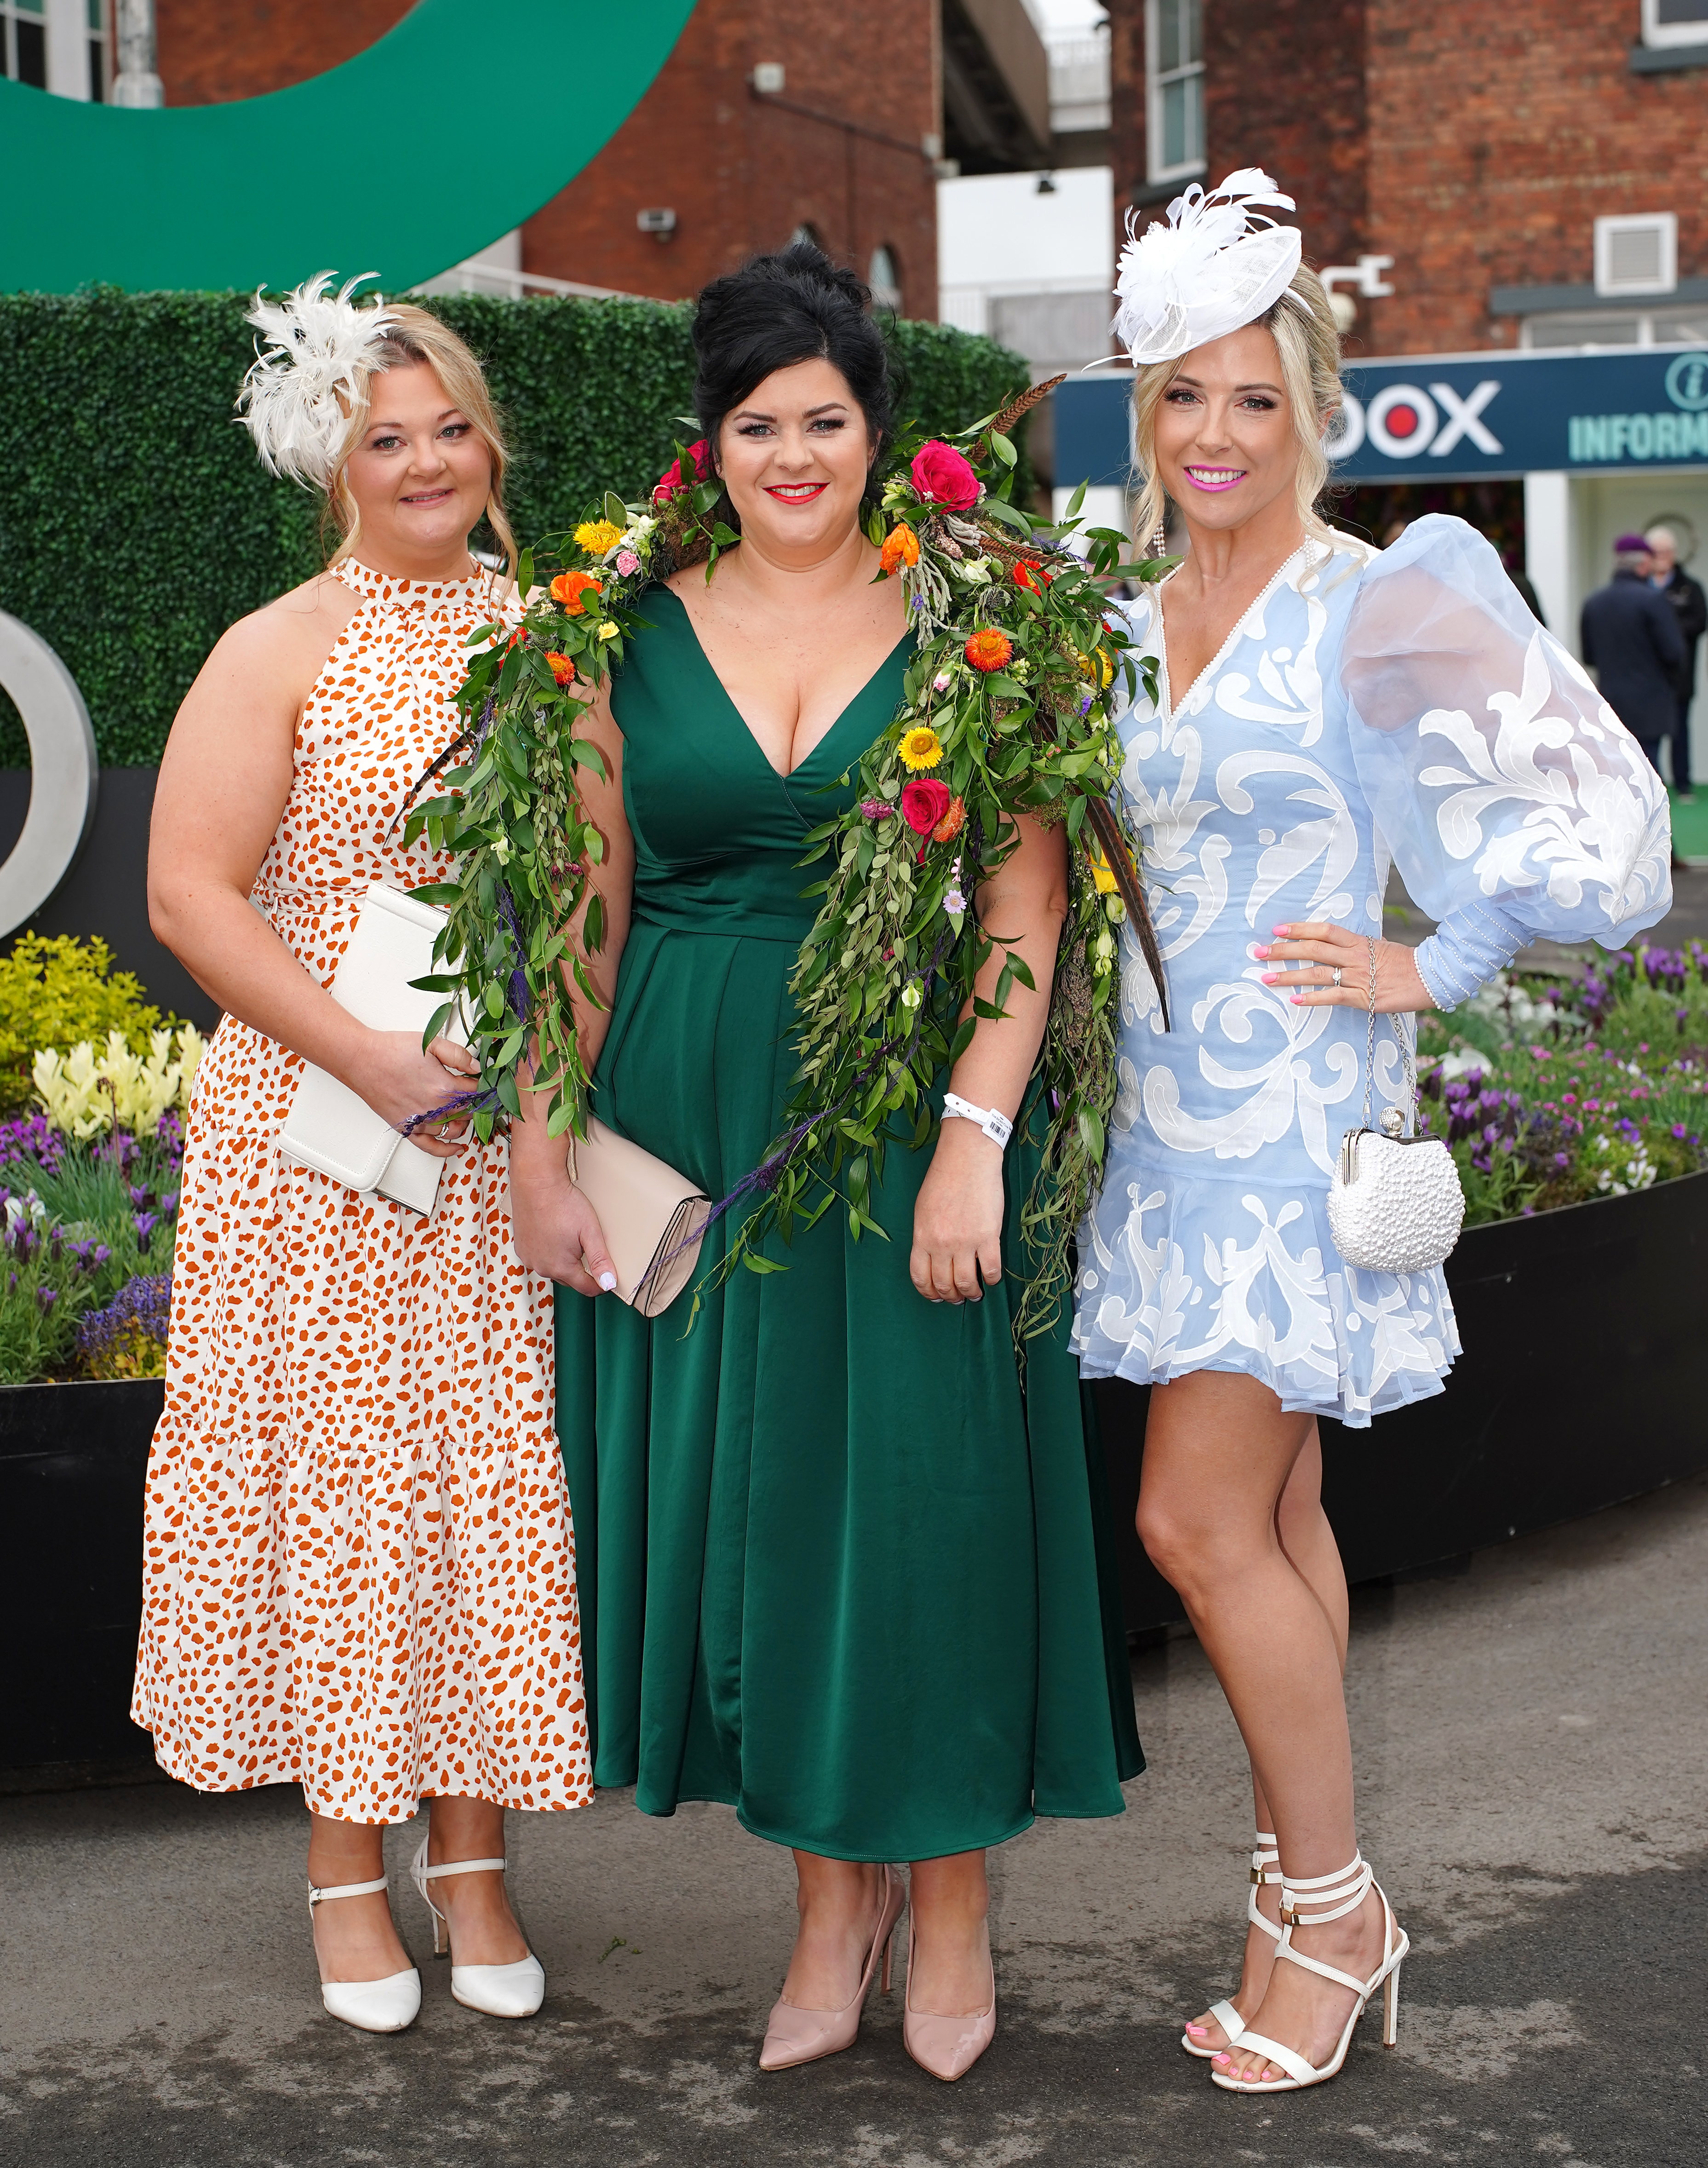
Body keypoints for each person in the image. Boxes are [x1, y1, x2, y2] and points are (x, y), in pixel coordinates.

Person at [508, 242, 1141, 2084]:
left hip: (904, 1113)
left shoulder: (974, 617)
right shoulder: (614, 632)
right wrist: (548, 1142)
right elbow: (581, 900)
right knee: (761, 1517)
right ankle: (822, 1902)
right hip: (689, 1115)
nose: (792, 455)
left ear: (880, 432)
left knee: (921, 1507)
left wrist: (971, 1144)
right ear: (707, 445)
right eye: (756, 424)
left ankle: (946, 1902)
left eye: (826, 420)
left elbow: (1025, 902)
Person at [1075, 172, 1671, 2096]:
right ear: (1141, 412)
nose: (1216, 436)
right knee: (1273, 1513)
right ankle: (1289, 1888)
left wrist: (1442, 958)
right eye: (1182, 397)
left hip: (1296, 1110)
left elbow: (1598, 819)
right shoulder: (1097, 608)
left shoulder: (1381, 594)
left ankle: (1331, 1906)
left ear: (1311, 408)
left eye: (1254, 399)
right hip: (1153, 1113)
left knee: (1186, 1514)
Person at [134, 281, 590, 2034]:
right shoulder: (277, 645)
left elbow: (589, 882)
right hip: (323, 1141)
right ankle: (346, 1866)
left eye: (447, 428)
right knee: (346, 1497)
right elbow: (189, 892)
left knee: (483, 1488)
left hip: (495, 1141)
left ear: (491, 443)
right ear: (331, 457)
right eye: (383, 436)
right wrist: (369, 1056)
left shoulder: (554, 632)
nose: (422, 462)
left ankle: (473, 1862)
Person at [1580, 532, 1685, 774]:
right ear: (1644, 563)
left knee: (1617, 774)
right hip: (1650, 703)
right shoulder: (1653, 601)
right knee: (1648, 772)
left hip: (1609, 701)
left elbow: (1589, 657)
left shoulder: (1594, 602)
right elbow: (1674, 652)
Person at [1645, 523, 1706, 799]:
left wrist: (1666, 629)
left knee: (1680, 731)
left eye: (1667, 551)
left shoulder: (1690, 588)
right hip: (1648, 677)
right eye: (1657, 552)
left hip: (1680, 676)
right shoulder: (1641, 586)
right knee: (1647, 733)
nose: (1662, 556)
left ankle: (1683, 785)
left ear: (1675, 553)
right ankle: (1653, 787)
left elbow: (1699, 622)